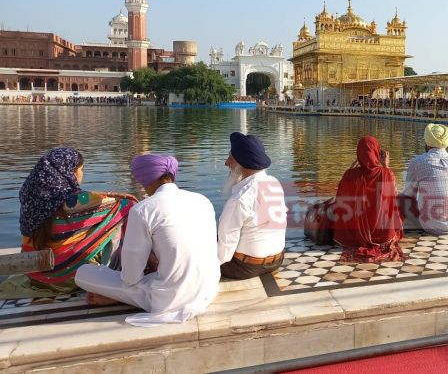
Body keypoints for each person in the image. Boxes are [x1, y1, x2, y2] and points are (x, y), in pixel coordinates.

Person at [75, 154, 219, 326]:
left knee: (83, 273)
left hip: (168, 299)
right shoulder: (202, 200)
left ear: (144, 179)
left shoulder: (143, 209)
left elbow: (130, 278)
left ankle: (117, 298)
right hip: (207, 289)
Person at [0, 148, 136, 298]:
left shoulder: (29, 194)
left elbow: (71, 198)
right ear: (70, 172)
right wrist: (118, 199)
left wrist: (105, 194)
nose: (82, 174)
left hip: (36, 272)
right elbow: (125, 204)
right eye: (81, 169)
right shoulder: (77, 202)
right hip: (69, 276)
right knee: (122, 213)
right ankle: (125, 271)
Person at [218, 132, 287, 280]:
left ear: (241, 164)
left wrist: (208, 264)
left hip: (246, 268)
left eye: (230, 158)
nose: (226, 163)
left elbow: (225, 251)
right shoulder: (274, 183)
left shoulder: (240, 198)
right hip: (276, 261)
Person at [332, 136, 405, 263]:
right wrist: (386, 167)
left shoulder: (350, 175)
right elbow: (394, 197)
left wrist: (355, 163)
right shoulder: (386, 174)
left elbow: (340, 198)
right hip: (382, 235)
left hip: (353, 236)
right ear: (377, 153)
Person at [399, 124, 448, 235]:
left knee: (400, 200)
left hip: (432, 226)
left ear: (426, 141)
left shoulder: (417, 162)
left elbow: (409, 196)